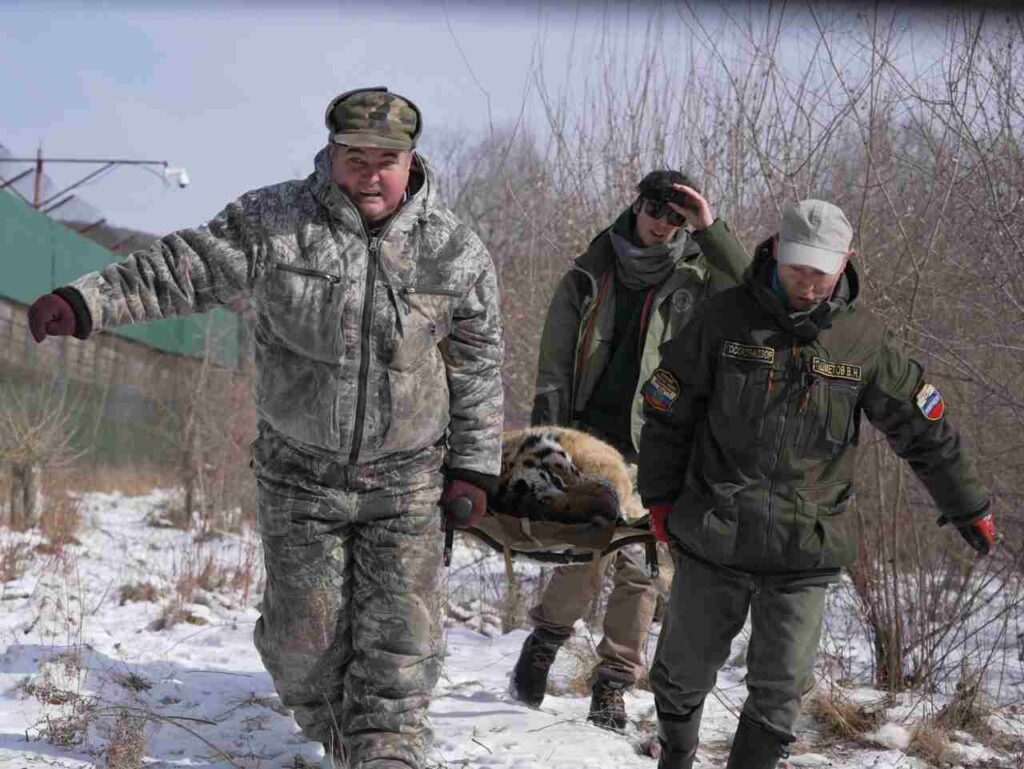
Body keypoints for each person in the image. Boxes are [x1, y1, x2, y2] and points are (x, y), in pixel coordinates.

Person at [26, 86, 504, 769]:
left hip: (406, 480)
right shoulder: (274, 222)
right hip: (300, 477)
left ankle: (384, 751)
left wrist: (475, 465)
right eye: (355, 156)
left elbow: (481, 357)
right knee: (304, 649)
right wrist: (87, 302)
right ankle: (351, 738)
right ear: (331, 154)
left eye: (387, 158)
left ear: (411, 161)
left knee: (400, 648)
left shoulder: (454, 249)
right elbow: (181, 268)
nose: (370, 173)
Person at [638, 199, 997, 769]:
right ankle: (675, 756)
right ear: (776, 251)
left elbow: (920, 426)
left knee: (780, 691)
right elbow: (667, 413)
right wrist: (658, 498)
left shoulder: (861, 341)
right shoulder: (724, 320)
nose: (807, 284)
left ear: (845, 263)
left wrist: (967, 503)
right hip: (715, 531)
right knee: (681, 675)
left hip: (805, 543)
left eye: (820, 273)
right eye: (797, 268)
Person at [510, 169, 751, 730]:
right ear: (637, 206)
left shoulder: (699, 275)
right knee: (587, 550)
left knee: (643, 563)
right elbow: (553, 361)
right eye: (657, 211)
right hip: (590, 439)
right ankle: (546, 640)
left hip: (661, 440)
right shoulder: (592, 269)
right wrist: (547, 443)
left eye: (677, 217)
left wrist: (711, 228)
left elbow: (750, 294)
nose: (664, 225)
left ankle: (613, 683)